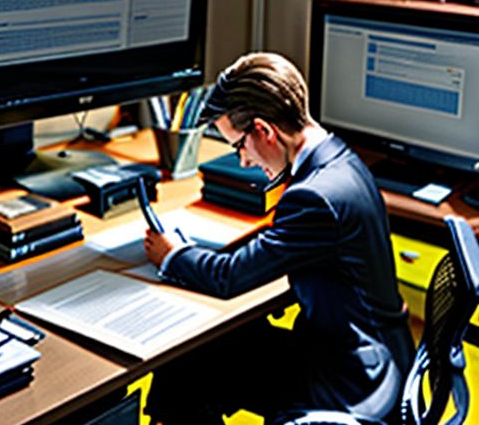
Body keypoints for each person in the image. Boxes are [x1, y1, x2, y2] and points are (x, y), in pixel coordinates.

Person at [143, 52, 415, 424]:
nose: (242, 161)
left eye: (238, 146)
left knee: (190, 365)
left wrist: (172, 254)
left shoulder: (314, 197)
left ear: (263, 130)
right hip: (376, 355)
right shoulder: (341, 160)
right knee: (198, 354)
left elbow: (229, 277)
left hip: (352, 382)